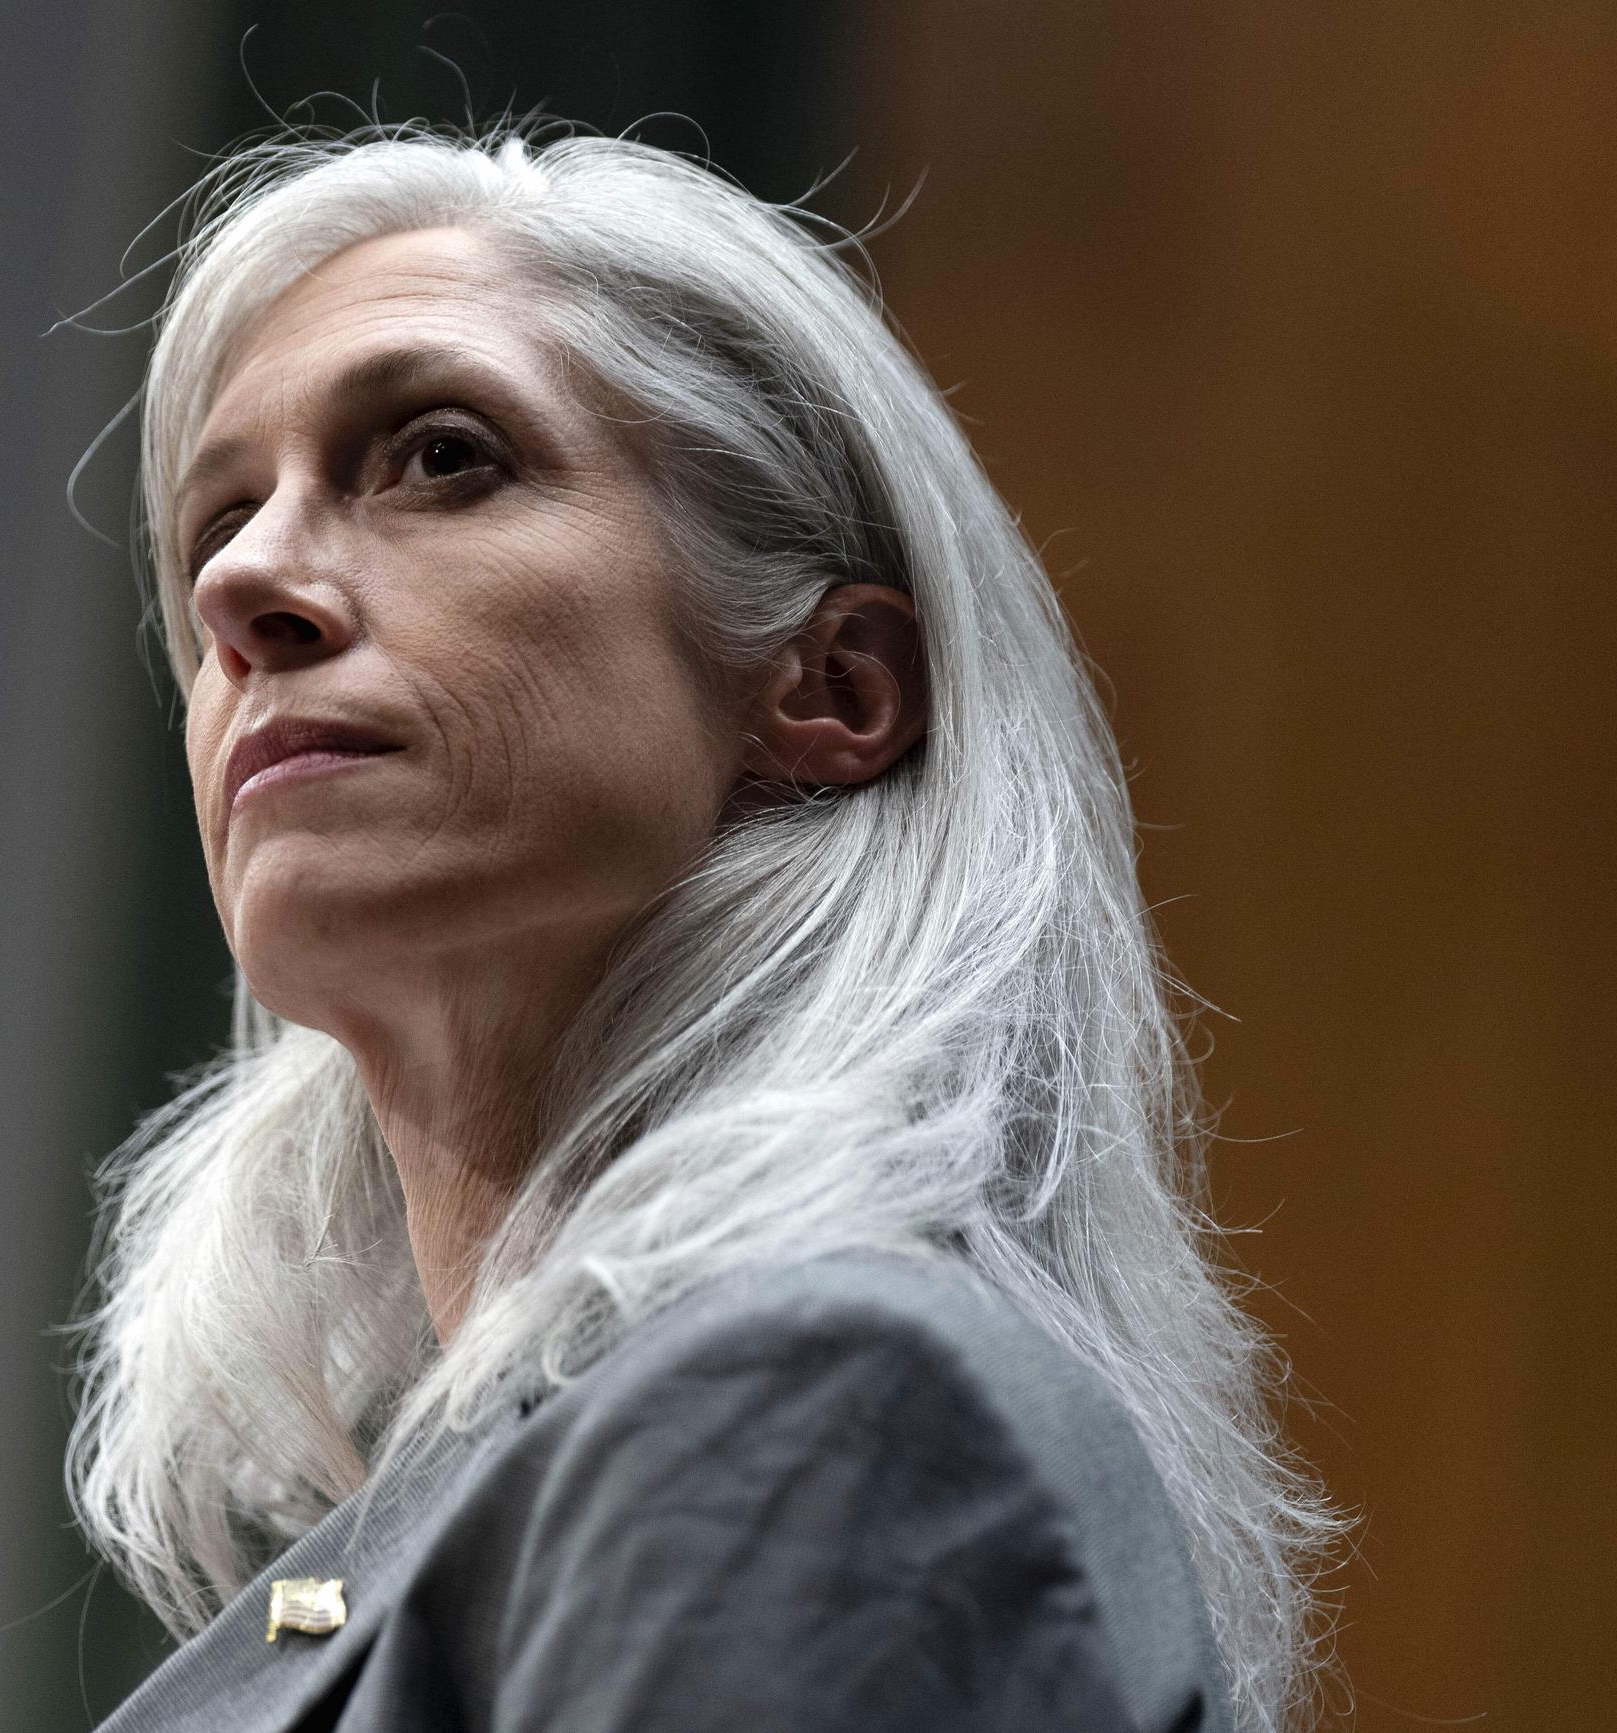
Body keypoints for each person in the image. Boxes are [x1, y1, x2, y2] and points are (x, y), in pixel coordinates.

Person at [68, 124, 1338, 1733]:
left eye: (439, 454)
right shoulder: (570, 1462)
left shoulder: (830, 1407)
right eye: (218, 519)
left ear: (833, 689)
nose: (244, 587)